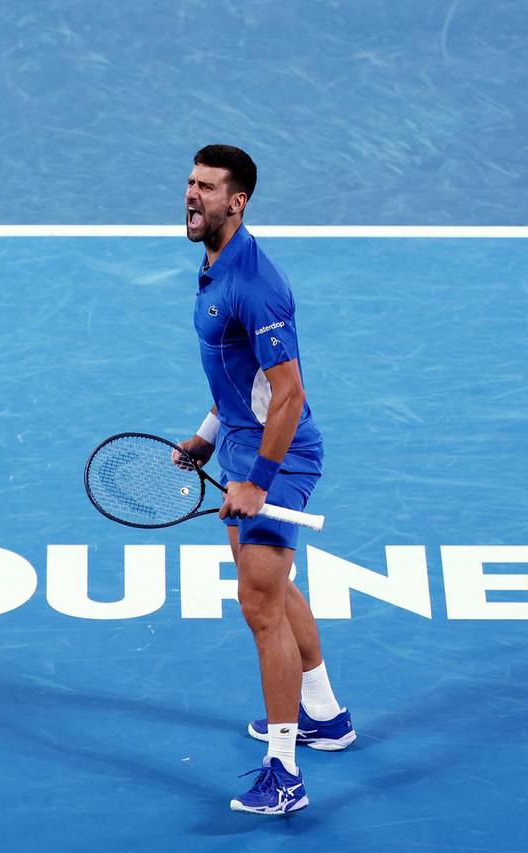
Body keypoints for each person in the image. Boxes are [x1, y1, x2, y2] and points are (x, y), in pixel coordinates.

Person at [174, 145, 356, 815]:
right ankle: (324, 715)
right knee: (272, 589)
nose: (192, 195)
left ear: (237, 201)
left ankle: (284, 772)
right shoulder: (216, 262)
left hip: (276, 460)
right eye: (190, 183)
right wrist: (208, 435)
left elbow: (287, 393)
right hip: (243, 450)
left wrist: (259, 480)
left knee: (260, 608)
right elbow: (236, 374)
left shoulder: (254, 282)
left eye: (207, 187)